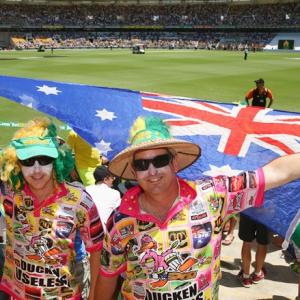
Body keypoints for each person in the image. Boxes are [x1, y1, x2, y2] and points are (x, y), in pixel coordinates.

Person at [95, 115, 300, 300]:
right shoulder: (120, 220)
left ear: (174, 162)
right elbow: (107, 276)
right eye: (142, 164)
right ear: (133, 170)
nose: (152, 171)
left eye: (160, 160)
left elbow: (274, 173)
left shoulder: (212, 195)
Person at [0, 118, 103, 300]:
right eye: (28, 161)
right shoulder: (9, 192)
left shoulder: (81, 200)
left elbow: (96, 248)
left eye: (44, 159)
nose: (37, 170)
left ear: (57, 161)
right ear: (17, 163)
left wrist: (94, 293)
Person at [237, 214, 270, 287]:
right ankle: (257, 274)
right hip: (267, 209)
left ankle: (246, 277)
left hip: (249, 207)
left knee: (247, 242)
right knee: (262, 243)